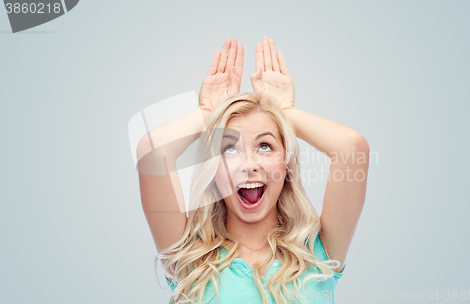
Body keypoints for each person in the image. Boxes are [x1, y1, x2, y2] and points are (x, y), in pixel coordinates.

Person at [135, 37, 369, 304]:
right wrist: (207, 112)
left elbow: (352, 147)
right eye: (229, 149)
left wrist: (285, 111)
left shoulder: (319, 253)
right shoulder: (190, 259)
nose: (248, 164)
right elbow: (152, 153)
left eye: (265, 146)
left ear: (286, 164)